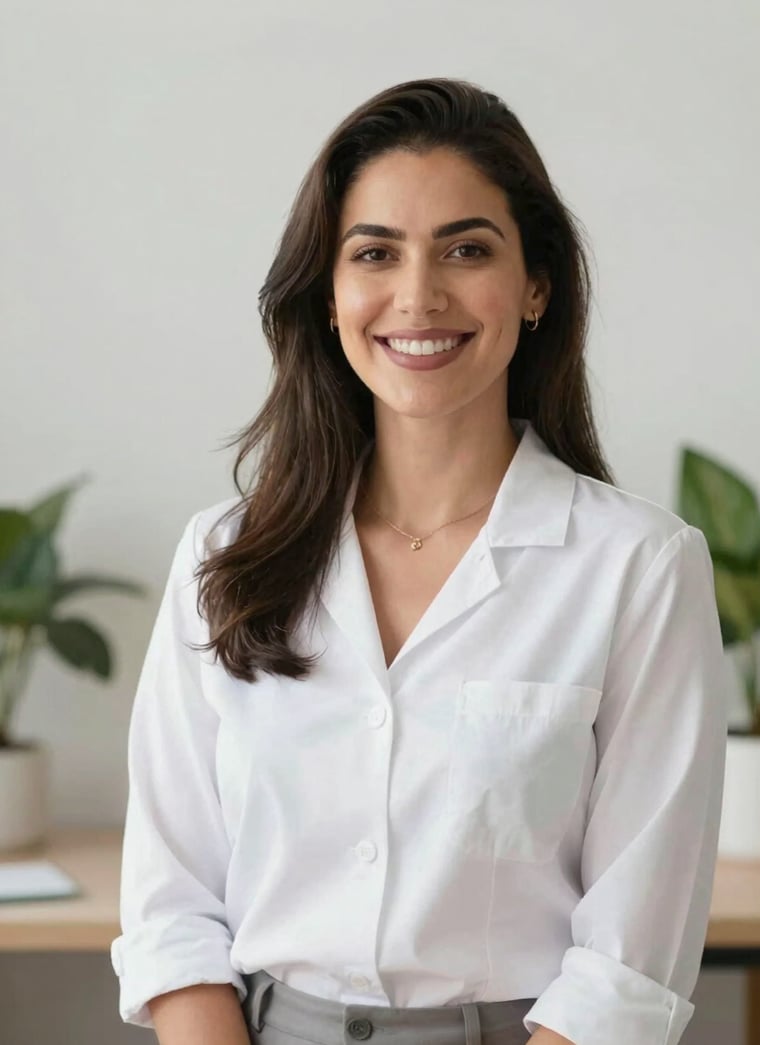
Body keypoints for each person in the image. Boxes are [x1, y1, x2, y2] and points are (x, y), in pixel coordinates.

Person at [110, 77, 728, 1045]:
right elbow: (170, 900)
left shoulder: (637, 566)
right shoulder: (224, 555)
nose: (418, 296)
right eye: (374, 254)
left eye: (467, 249)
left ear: (535, 286)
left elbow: (632, 953)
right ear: (328, 292)